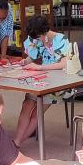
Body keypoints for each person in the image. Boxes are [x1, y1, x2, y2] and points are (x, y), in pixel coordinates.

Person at [14, 16, 71, 145]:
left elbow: (63, 64)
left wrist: (39, 67)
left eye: (38, 37)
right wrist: (25, 61)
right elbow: (33, 55)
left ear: (44, 32)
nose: (37, 41)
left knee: (36, 112)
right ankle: (16, 141)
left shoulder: (61, 39)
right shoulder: (38, 40)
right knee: (26, 105)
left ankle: (17, 142)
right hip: (42, 80)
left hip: (59, 83)